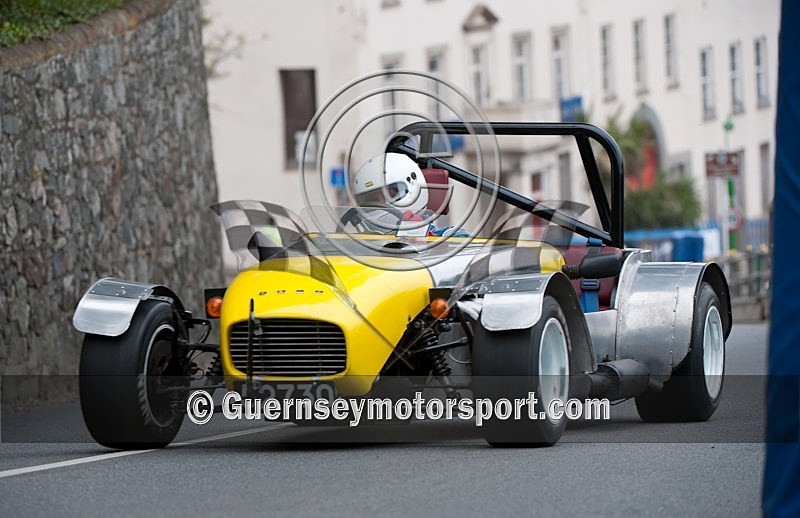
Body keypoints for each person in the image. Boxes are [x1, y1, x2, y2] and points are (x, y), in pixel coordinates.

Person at [352, 152, 469, 237]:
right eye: (371, 199)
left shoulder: (449, 238)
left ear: (413, 186)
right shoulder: (355, 245)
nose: (381, 205)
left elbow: (468, 247)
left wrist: (421, 237)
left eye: (390, 194)